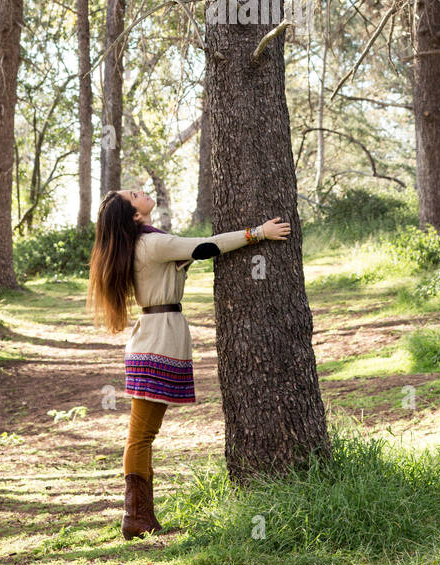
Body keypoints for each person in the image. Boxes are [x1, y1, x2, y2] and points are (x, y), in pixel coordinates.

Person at [87, 187, 291, 539]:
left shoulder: (150, 242)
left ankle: (139, 517)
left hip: (154, 337)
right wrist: (258, 233)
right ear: (135, 215)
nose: (142, 190)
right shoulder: (152, 245)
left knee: (143, 435)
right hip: (156, 340)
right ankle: (135, 517)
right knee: (142, 435)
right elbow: (206, 247)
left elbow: (192, 250)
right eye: (134, 194)